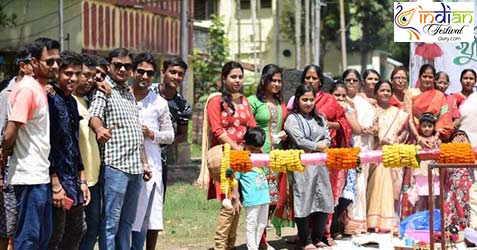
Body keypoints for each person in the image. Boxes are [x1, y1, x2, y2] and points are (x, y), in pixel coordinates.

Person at [89, 48, 152, 250]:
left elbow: (135, 131)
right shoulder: (104, 89)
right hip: (115, 167)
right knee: (110, 223)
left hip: (135, 168)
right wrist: (99, 130)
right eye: (118, 65)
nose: (123, 69)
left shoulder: (128, 93)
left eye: (127, 66)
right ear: (109, 67)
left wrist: (144, 163)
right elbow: (94, 115)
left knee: (126, 223)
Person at [1, 38, 60, 250]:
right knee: (29, 238)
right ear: (34, 63)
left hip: (39, 175)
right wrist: (4, 150)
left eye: (57, 62)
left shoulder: (39, 89)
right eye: (49, 61)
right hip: (28, 176)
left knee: (43, 236)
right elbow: (10, 133)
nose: (55, 66)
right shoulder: (27, 90)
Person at [204, 61, 256, 250]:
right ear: (223, 78)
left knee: (238, 202)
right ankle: (220, 247)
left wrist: (250, 149)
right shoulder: (216, 101)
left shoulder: (244, 101)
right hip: (224, 158)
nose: (237, 80)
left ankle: (230, 245)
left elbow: (251, 126)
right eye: (233, 76)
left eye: (240, 77)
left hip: (243, 159)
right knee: (228, 203)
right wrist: (236, 147)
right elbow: (217, 130)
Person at [131, 52, 174, 250]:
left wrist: (151, 133)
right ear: (133, 71)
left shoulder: (159, 103)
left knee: (150, 213)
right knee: (127, 213)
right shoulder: (122, 97)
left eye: (149, 73)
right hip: (124, 162)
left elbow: (170, 136)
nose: (145, 77)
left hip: (152, 164)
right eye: (141, 71)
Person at [47, 50, 90, 250]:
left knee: (78, 228)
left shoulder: (72, 102)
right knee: (56, 234)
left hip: (73, 179)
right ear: (58, 73)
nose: (73, 78)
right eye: (68, 73)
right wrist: (55, 183)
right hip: (55, 180)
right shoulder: (48, 99)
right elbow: (47, 144)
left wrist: (82, 180)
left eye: (77, 74)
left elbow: (74, 144)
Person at [284, 84, 333, 249]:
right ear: (297, 100)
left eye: (311, 99)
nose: (308, 103)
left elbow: (328, 138)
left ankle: (318, 237)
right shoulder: (292, 119)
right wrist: (318, 146)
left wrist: (322, 145)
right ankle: (305, 240)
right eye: (304, 99)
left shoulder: (320, 118)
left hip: (321, 165)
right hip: (302, 166)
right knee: (303, 200)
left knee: (324, 199)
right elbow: (299, 141)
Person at [247, 64, 286, 249]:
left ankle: (262, 239)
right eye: (273, 80)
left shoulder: (280, 103)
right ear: (265, 80)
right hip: (258, 157)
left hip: (276, 157)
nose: (276, 84)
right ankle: (257, 242)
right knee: (259, 199)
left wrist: (282, 135)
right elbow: (249, 128)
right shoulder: (253, 101)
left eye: (279, 81)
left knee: (271, 200)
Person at [0, 44, 34, 250]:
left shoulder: (40, 91)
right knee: (7, 227)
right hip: (11, 169)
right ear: (23, 66)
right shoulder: (7, 94)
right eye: (34, 62)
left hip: (34, 170)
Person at [367, 80, 410, 233]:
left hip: (391, 153)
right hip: (374, 153)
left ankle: (385, 222)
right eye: (382, 90)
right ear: (376, 92)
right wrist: (378, 137)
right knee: (374, 185)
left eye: (387, 90)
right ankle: (371, 220)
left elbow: (405, 130)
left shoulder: (397, 112)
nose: (385, 93)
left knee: (388, 187)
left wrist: (398, 139)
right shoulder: (370, 110)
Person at [74, 54, 102, 250]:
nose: (90, 80)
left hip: (94, 179)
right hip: (78, 179)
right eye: (86, 75)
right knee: (77, 232)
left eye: (94, 76)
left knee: (93, 229)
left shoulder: (88, 100)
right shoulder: (66, 100)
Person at [344, 69, 377, 235]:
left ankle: (361, 222)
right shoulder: (343, 100)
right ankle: (351, 223)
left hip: (366, 146)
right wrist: (363, 129)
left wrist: (373, 128)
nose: (351, 83)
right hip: (351, 146)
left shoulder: (364, 101)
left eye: (354, 80)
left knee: (362, 183)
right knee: (353, 184)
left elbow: (374, 119)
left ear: (359, 83)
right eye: (348, 80)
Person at [157, 56, 191, 198]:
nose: (176, 77)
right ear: (163, 72)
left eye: (180, 74)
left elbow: (182, 135)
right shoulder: (148, 93)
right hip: (136, 152)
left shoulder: (183, 106)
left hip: (160, 157)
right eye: (172, 72)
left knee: (158, 197)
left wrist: (164, 141)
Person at [236, 127, 270, 250]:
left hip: (264, 196)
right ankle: (252, 247)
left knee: (262, 224)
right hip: (252, 198)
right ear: (245, 144)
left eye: (258, 150)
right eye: (252, 149)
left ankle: (255, 245)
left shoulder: (262, 157)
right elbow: (235, 179)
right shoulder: (241, 159)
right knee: (252, 223)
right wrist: (236, 197)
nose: (255, 152)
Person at [405, 64, 453, 143]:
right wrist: (418, 138)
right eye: (424, 76)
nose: (427, 79)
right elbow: (408, 119)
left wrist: (436, 137)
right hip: (414, 137)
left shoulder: (439, 95)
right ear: (419, 77)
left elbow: (444, 118)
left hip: (435, 139)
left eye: (430, 77)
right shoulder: (410, 93)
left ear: (434, 79)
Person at [405, 113, 440, 214]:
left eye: (430, 126)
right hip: (420, 173)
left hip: (433, 174)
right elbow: (414, 159)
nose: (427, 129)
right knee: (419, 199)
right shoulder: (417, 142)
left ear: (434, 127)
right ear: (420, 127)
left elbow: (440, 158)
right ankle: (417, 222)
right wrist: (411, 176)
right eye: (424, 126)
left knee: (433, 199)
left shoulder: (437, 141)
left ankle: (433, 222)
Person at [444, 130, 473, 231]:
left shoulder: (472, 151)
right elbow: (448, 169)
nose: (460, 138)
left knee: (465, 204)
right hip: (453, 183)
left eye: (463, 136)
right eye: (457, 136)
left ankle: (467, 228)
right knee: (452, 204)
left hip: (466, 184)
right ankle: (452, 228)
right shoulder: (448, 152)